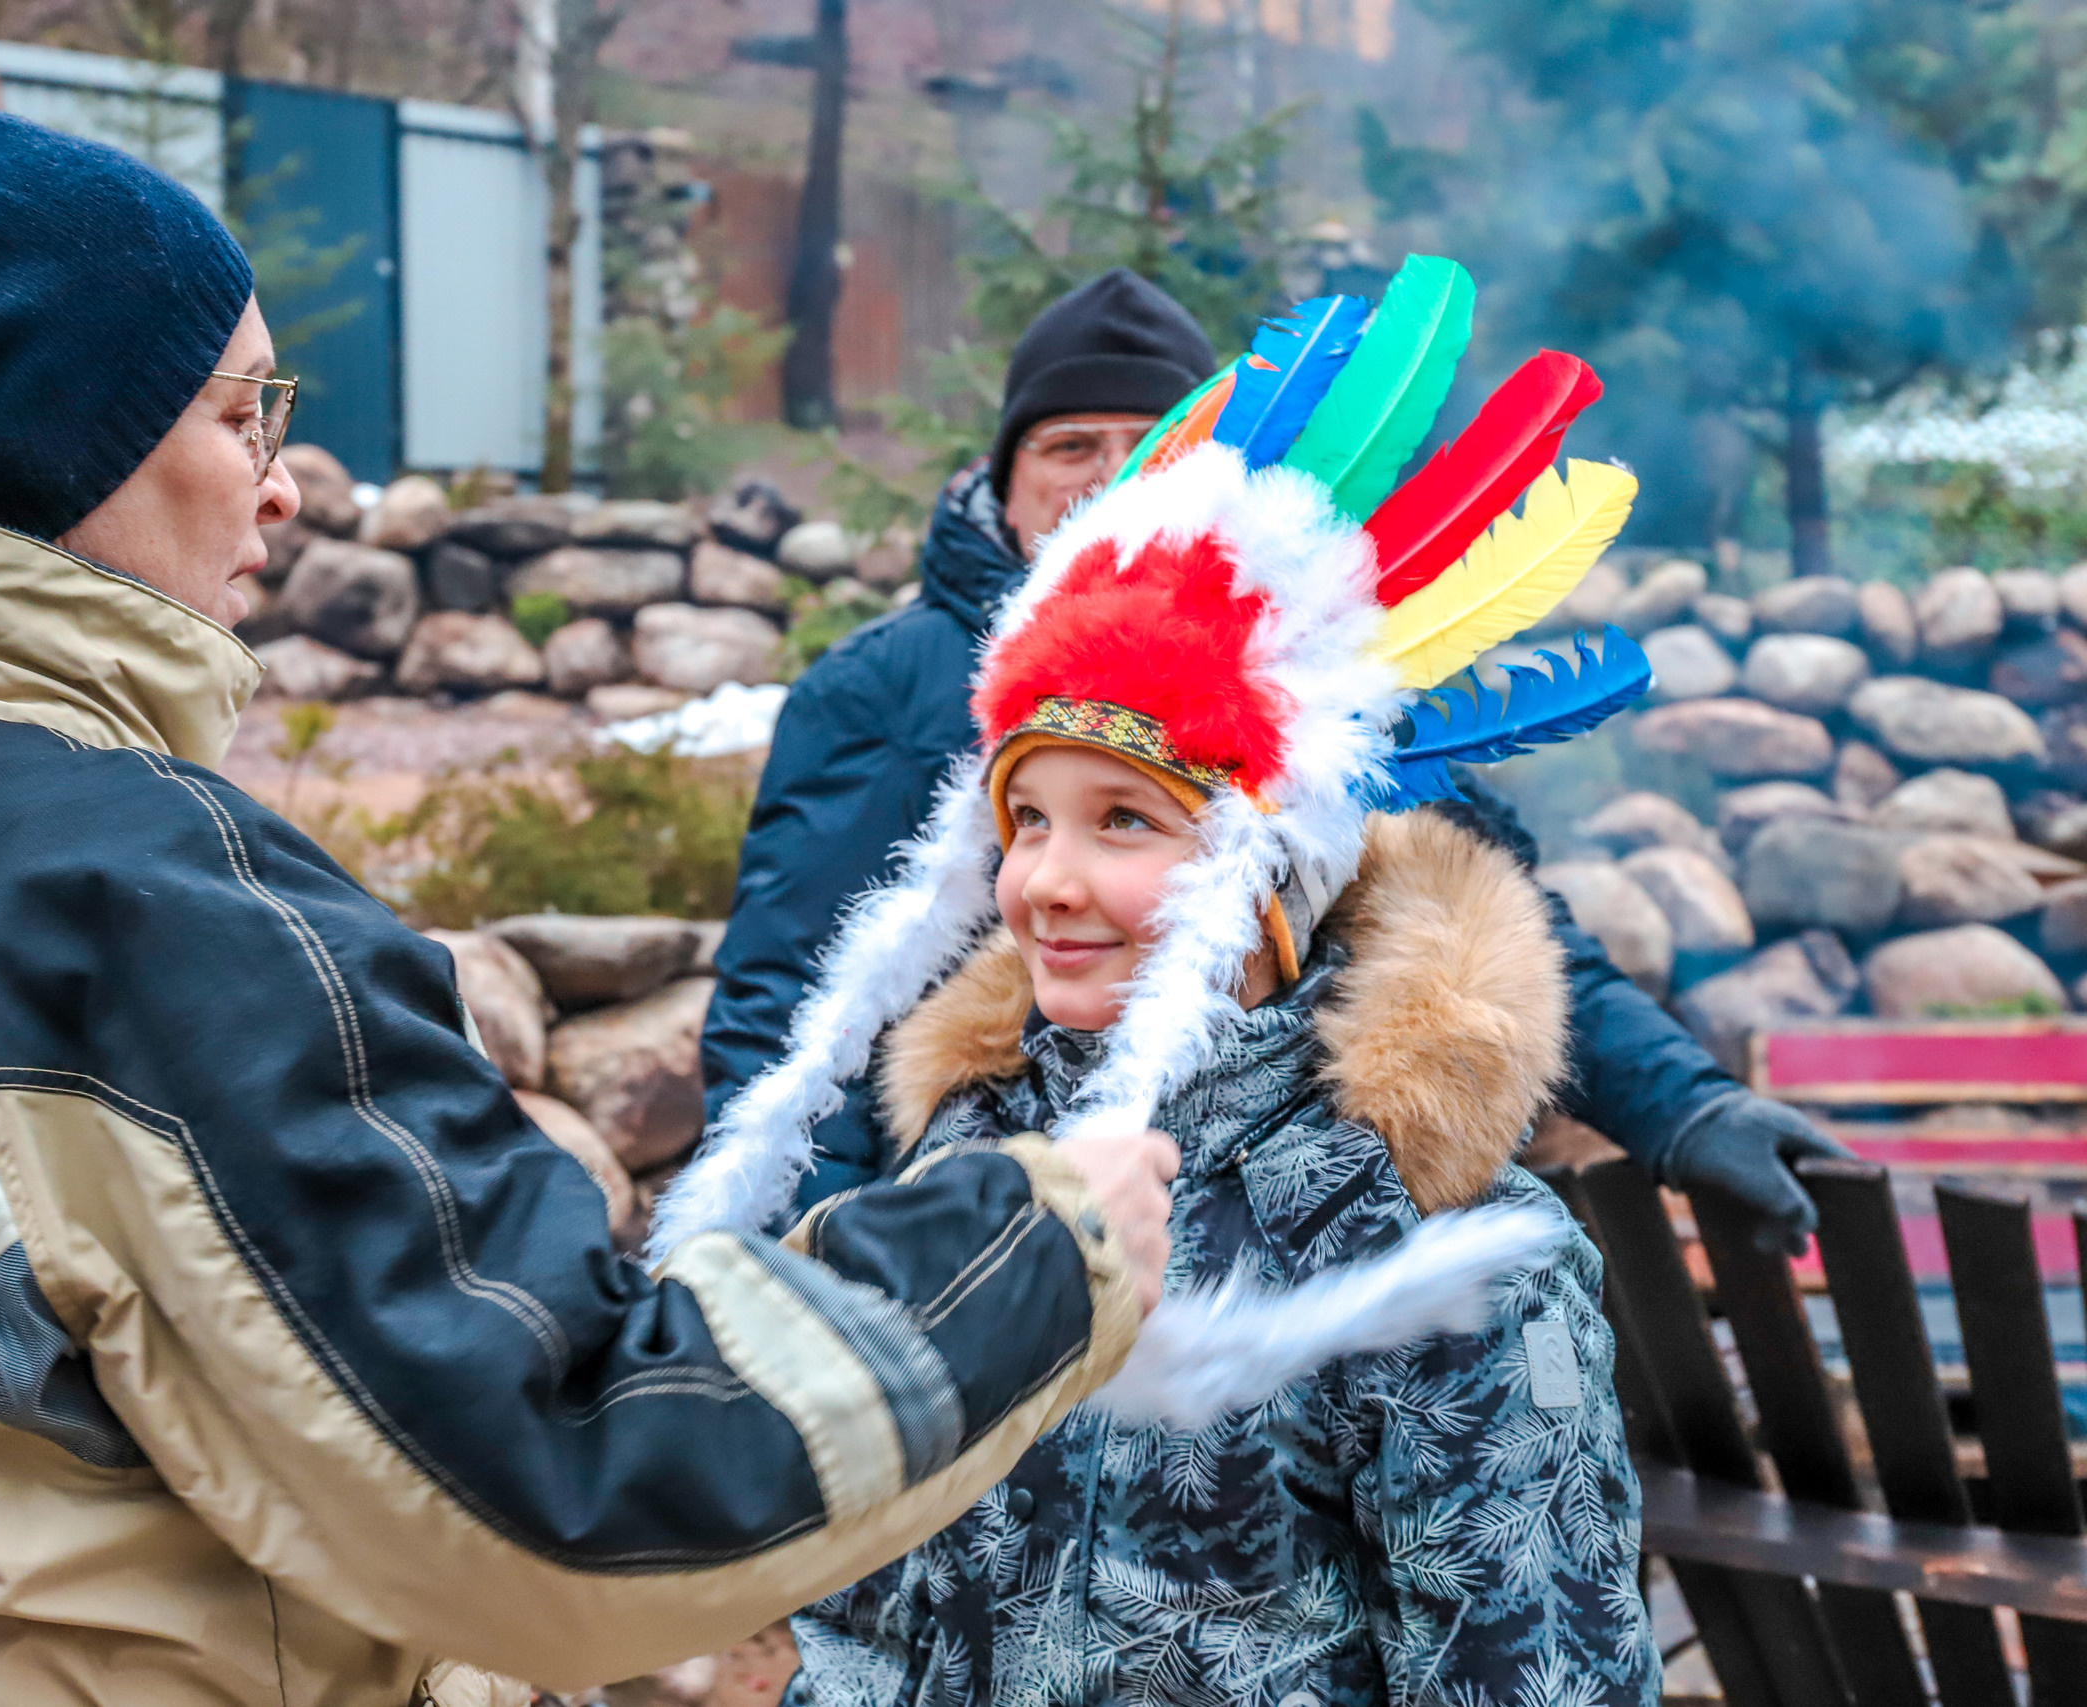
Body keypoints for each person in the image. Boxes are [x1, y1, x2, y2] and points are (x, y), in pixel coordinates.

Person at [0, 94, 1185, 1705]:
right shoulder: (116, 887)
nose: (288, 478)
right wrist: (1039, 1245)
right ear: (61, 439)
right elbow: (563, 1468)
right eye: (239, 410)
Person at [723, 306, 1664, 1702]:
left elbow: (1535, 1669)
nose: (1046, 878)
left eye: (1124, 822)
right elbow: (865, 1616)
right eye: (1024, 818)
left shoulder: (1441, 1260)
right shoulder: (964, 1174)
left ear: (1269, 869)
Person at [702, 268, 1849, 1251]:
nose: (1105, 478)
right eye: (1065, 447)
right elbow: (788, 999)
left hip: (1273, 1221)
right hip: (975, 1228)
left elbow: (1470, 904)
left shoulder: (1310, 684)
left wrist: (1687, 1110)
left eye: (1142, 445)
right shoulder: (883, 689)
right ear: (1004, 483)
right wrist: (828, 1257)